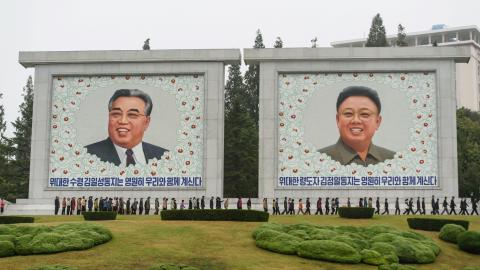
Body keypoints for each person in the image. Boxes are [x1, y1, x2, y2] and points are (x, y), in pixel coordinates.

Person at [85, 89, 168, 166]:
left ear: (146, 122)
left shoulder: (164, 157)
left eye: (132, 115)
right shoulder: (87, 155)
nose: (123, 121)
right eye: (116, 114)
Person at [319, 86, 395, 166]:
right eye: (348, 114)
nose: (356, 120)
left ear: (377, 122)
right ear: (338, 120)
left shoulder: (393, 160)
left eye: (364, 114)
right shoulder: (319, 160)